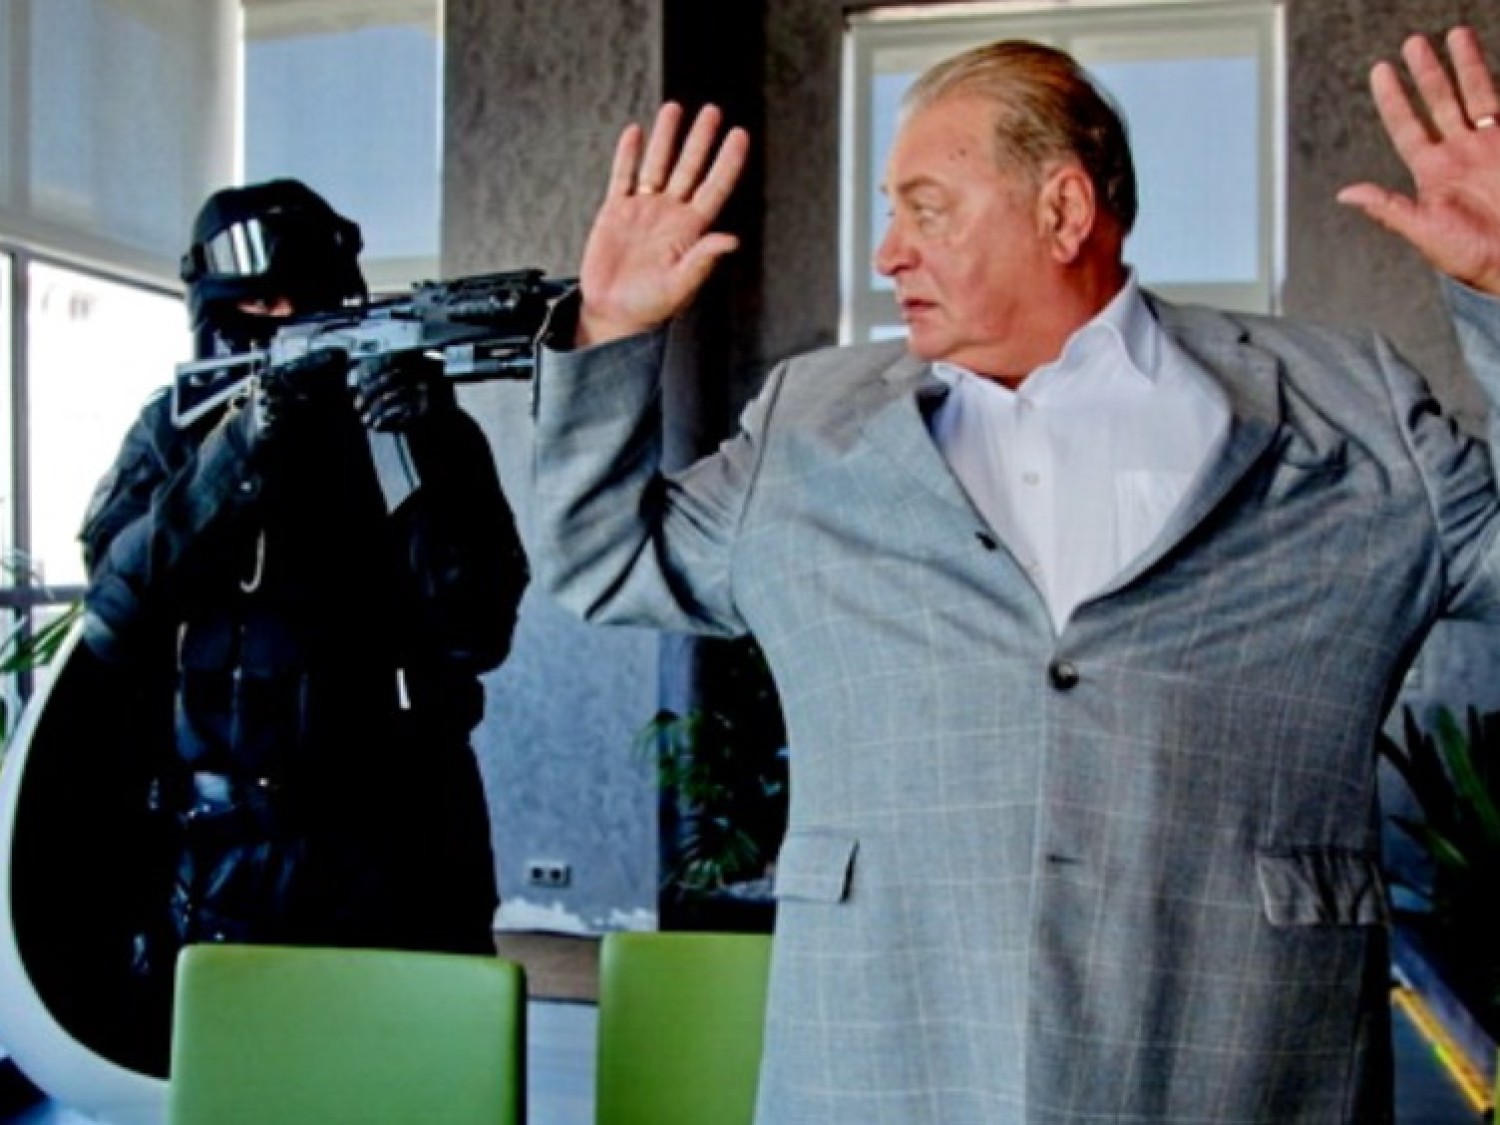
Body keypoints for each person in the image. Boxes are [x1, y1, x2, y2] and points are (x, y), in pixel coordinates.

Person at [526, 25, 1500, 1124]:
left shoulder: (1347, 405)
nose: (889, 253)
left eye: (926, 209)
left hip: (1242, 1067)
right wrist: (611, 330)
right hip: (886, 1067)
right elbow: (602, 558)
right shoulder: (810, 425)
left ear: (1063, 211)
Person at [79, 178, 528, 1068]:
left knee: (421, 1087)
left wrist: (430, 451)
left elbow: (479, 630)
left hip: (406, 841)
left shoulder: (414, 428)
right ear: (214, 311)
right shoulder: (176, 432)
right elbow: (118, 607)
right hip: (229, 853)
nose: (283, 320)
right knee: (247, 1087)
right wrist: (237, 450)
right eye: (259, 305)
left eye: (305, 302)